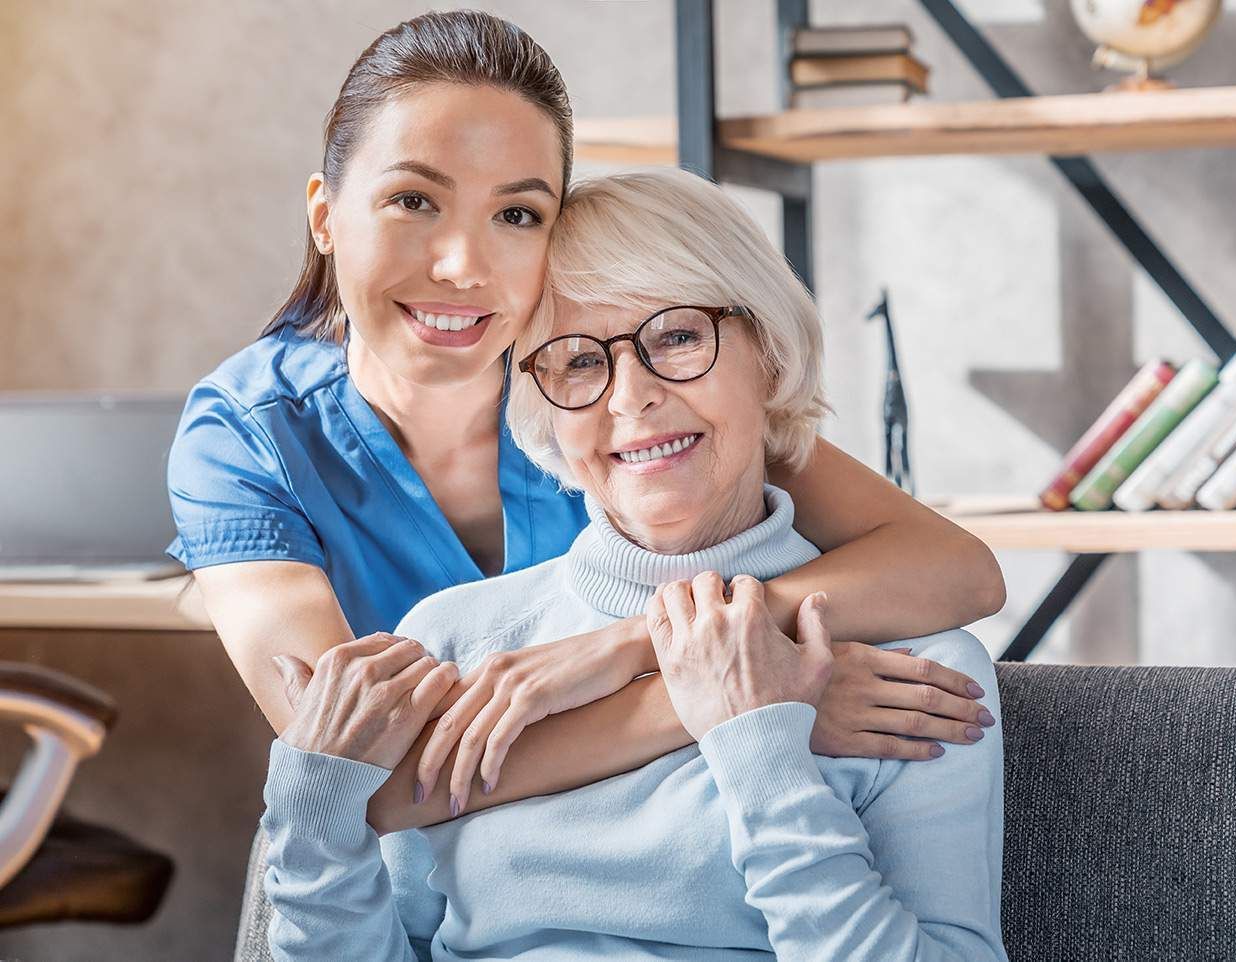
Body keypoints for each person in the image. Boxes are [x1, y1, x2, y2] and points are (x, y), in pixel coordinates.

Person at [165, 9, 1005, 827]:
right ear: (324, 216)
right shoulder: (248, 438)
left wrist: (633, 645)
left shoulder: (604, 395)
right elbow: (369, 785)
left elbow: (958, 568)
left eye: (517, 214)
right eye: (414, 201)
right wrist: (736, 696)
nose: (462, 266)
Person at [261, 167, 1007, 961]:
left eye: (679, 337)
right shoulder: (454, 639)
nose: (630, 396)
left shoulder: (918, 674)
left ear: (769, 353)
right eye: (578, 361)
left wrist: (759, 750)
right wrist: (310, 817)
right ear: (538, 400)